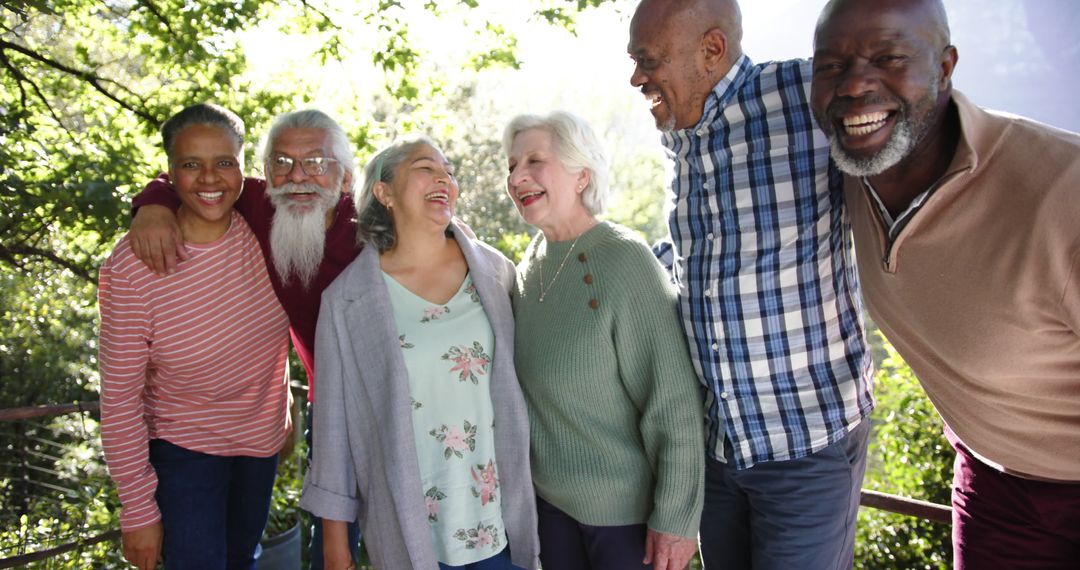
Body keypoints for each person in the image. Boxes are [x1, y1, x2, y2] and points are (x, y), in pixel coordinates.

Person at [810, 0, 1080, 566]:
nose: (855, 84)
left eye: (888, 57)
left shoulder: (1062, 193)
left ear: (946, 66)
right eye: (830, 66)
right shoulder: (844, 173)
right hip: (992, 483)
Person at [627, 1, 875, 568]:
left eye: (649, 60)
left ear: (712, 50)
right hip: (719, 447)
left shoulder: (804, 93)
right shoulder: (682, 131)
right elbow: (702, 260)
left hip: (807, 442)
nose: (638, 77)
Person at [127, 109, 364, 567]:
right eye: (281, 162)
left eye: (316, 162)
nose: (298, 177)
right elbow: (194, 174)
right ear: (264, 173)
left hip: (405, 405)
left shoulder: (374, 224)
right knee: (332, 550)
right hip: (329, 407)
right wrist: (152, 204)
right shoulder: (258, 204)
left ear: (347, 176)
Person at [300, 136, 540, 570]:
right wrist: (336, 544)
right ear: (384, 192)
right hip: (409, 532)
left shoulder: (496, 273)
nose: (443, 178)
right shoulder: (347, 301)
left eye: (449, 170)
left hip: (501, 526)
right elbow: (334, 430)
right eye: (426, 167)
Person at [503, 110, 704, 570]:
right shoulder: (527, 265)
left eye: (535, 160)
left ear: (581, 175)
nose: (517, 177)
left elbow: (672, 402)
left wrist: (676, 518)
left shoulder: (623, 259)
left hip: (625, 523)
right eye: (511, 165)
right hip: (549, 511)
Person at [98, 103, 291, 569]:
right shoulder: (131, 266)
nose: (210, 179)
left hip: (259, 448)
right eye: (191, 165)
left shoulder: (270, 230)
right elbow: (119, 400)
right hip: (182, 451)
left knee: (242, 560)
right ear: (169, 171)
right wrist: (138, 511)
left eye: (224, 162)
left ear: (243, 167)